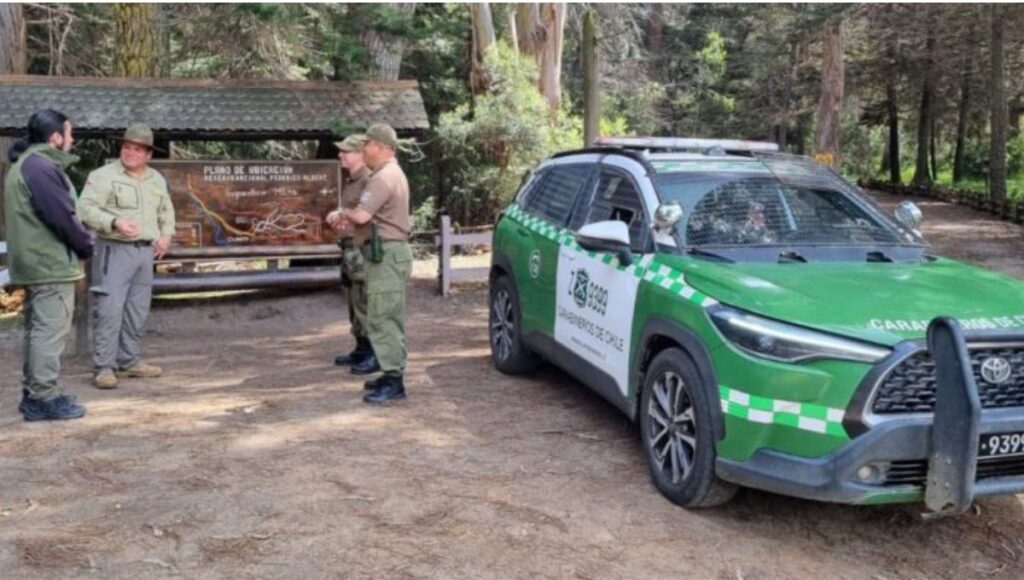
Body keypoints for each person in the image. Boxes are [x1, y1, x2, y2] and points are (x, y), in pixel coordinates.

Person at [4, 109, 93, 421]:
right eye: (69, 133)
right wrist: (85, 245)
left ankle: (35, 393)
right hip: (49, 263)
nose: (73, 139)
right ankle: (44, 397)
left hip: (35, 262)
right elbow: (61, 216)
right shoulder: (40, 167)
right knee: (49, 330)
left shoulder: (25, 164)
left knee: (37, 328)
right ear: (55, 137)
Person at [77, 124, 175, 390]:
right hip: (114, 250)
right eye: (127, 147)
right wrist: (114, 221)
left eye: (138, 149)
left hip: (145, 252)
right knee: (110, 309)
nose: (131, 153)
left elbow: (166, 210)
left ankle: (129, 362)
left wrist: (166, 235)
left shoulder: (155, 179)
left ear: (148, 155)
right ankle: (104, 367)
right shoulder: (103, 175)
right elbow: (84, 208)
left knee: (136, 310)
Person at [331, 123, 412, 404]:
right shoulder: (389, 174)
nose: (363, 149)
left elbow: (363, 216)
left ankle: (394, 380)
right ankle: (390, 373)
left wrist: (342, 213)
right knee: (381, 314)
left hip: (386, 254)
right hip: (385, 253)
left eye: (367, 144)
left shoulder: (383, 177)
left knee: (383, 317)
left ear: (380, 146)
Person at [326, 134, 373, 369]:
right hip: (347, 247)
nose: (340, 155)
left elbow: (367, 216)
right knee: (353, 301)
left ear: (359, 154)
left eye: (345, 151)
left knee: (363, 300)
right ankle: (361, 348)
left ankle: (372, 352)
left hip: (360, 248)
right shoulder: (352, 180)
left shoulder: (369, 180)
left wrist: (342, 215)